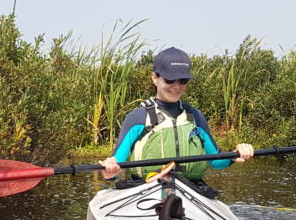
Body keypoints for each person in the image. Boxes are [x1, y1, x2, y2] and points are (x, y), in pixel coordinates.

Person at [99, 47, 255, 187]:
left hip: (191, 188)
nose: (177, 86)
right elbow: (117, 164)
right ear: (154, 78)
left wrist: (234, 154)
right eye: (169, 80)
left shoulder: (195, 117)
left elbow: (216, 161)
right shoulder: (138, 117)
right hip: (145, 187)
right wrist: (111, 172)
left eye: (183, 80)